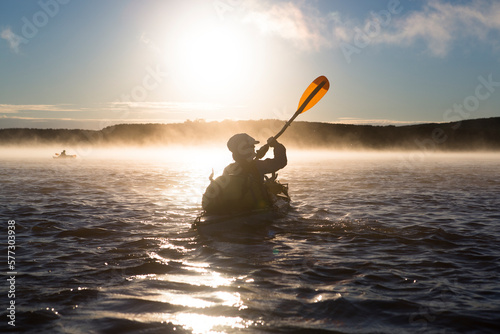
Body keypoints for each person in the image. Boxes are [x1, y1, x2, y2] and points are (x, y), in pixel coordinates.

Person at [202, 133, 287, 214]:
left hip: (236, 207)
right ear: (246, 149)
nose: (254, 148)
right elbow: (280, 162)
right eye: (252, 146)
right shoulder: (258, 166)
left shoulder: (228, 169)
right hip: (255, 208)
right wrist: (277, 145)